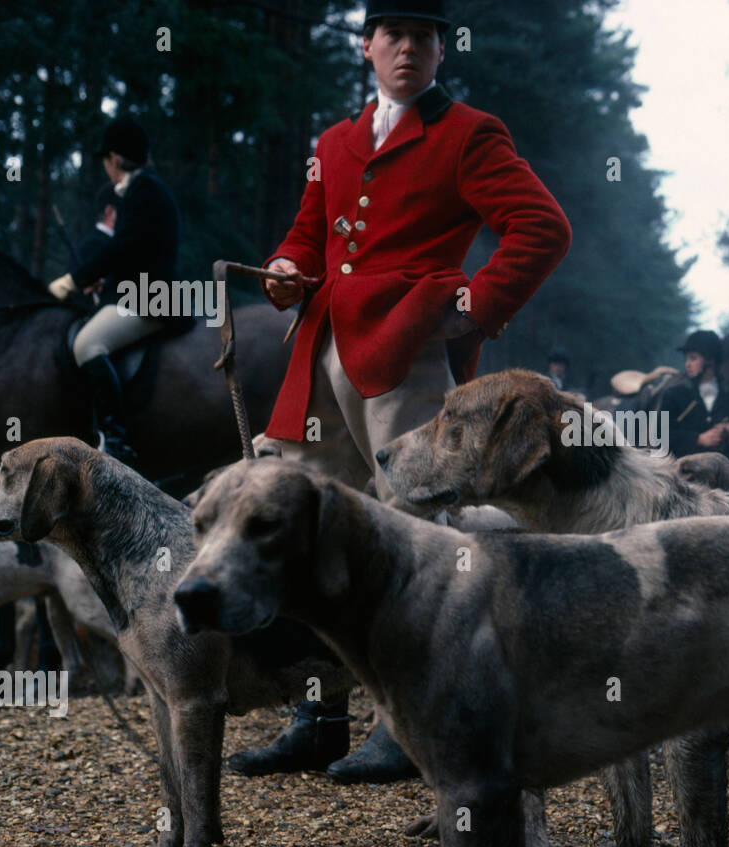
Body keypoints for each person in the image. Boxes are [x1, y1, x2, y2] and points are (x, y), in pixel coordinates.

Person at [231, 0, 572, 782]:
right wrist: (285, 272)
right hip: (318, 354)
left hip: (407, 354)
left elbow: (542, 228)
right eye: (394, 36)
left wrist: (475, 308)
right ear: (367, 47)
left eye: (424, 37)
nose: (409, 49)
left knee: (413, 531)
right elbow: (307, 239)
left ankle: (407, 723)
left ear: (441, 52)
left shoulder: (468, 133)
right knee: (305, 528)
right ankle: (319, 717)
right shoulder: (334, 142)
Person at [45, 116, 183, 464]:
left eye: (106, 160)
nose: (106, 167)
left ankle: (116, 438)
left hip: (154, 298)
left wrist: (72, 280)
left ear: (116, 159)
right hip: (143, 290)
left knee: (87, 344)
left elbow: (121, 248)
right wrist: (107, 281)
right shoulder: (144, 190)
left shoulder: (144, 191)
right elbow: (137, 252)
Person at [662, 329, 729, 469]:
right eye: (686, 359)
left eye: (693, 358)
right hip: (682, 474)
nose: (687, 364)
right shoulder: (673, 395)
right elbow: (660, 437)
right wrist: (698, 439)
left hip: (723, 476)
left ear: (710, 360)